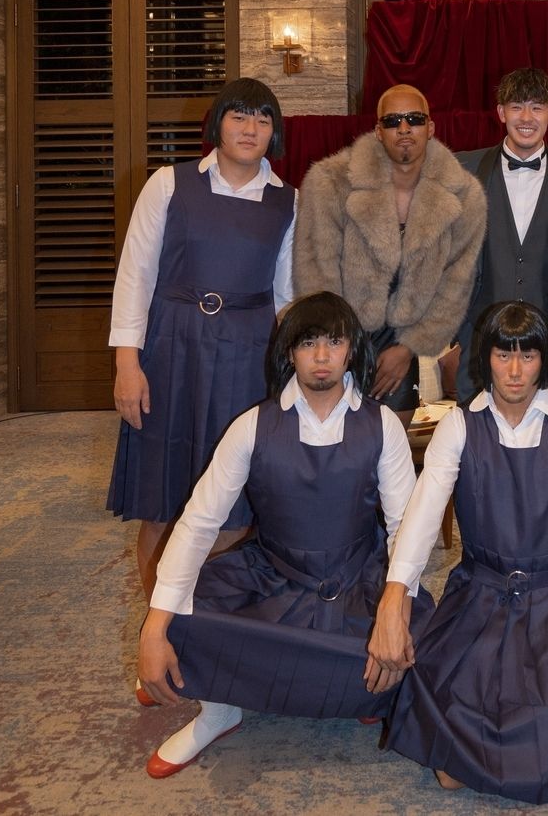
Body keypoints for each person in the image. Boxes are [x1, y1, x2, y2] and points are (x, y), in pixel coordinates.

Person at [137, 291, 429, 778]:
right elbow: (199, 522)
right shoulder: (251, 426)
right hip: (273, 577)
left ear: (351, 350)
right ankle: (220, 712)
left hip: (358, 580)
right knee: (182, 610)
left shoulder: (382, 425)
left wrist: (394, 611)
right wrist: (153, 626)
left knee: (426, 632)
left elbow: (406, 527)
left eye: (334, 342)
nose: (321, 356)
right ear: (289, 352)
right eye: (308, 343)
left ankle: (366, 690)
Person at [367, 302, 548, 807]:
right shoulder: (459, 426)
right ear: (486, 358)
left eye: (528, 356)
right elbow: (422, 518)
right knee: (452, 760)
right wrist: (394, 597)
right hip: (479, 601)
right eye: (503, 354)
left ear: (544, 360)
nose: (515, 370)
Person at [108, 77, 295, 604]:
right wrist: (127, 364)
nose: (251, 128)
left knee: (236, 506)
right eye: (239, 116)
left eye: (263, 119)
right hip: (172, 349)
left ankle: (204, 620)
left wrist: (298, 377)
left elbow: (288, 298)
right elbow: (135, 276)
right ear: (217, 124)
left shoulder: (288, 201)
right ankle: (158, 624)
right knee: (163, 501)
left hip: (248, 357)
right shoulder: (169, 184)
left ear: (274, 133)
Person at [293, 84, 487, 413]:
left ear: (431, 127)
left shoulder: (464, 195)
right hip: (338, 338)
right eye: (393, 121)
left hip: (402, 344)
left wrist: (409, 349)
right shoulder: (330, 182)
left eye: (415, 119)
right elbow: (316, 272)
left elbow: (456, 284)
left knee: (393, 441)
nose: (404, 128)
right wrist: (334, 346)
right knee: (331, 439)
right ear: (378, 130)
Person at [455, 67, 548, 402]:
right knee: (476, 428)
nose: (527, 118)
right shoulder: (464, 168)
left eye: (537, 107)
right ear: (501, 112)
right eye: (517, 106)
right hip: (480, 336)